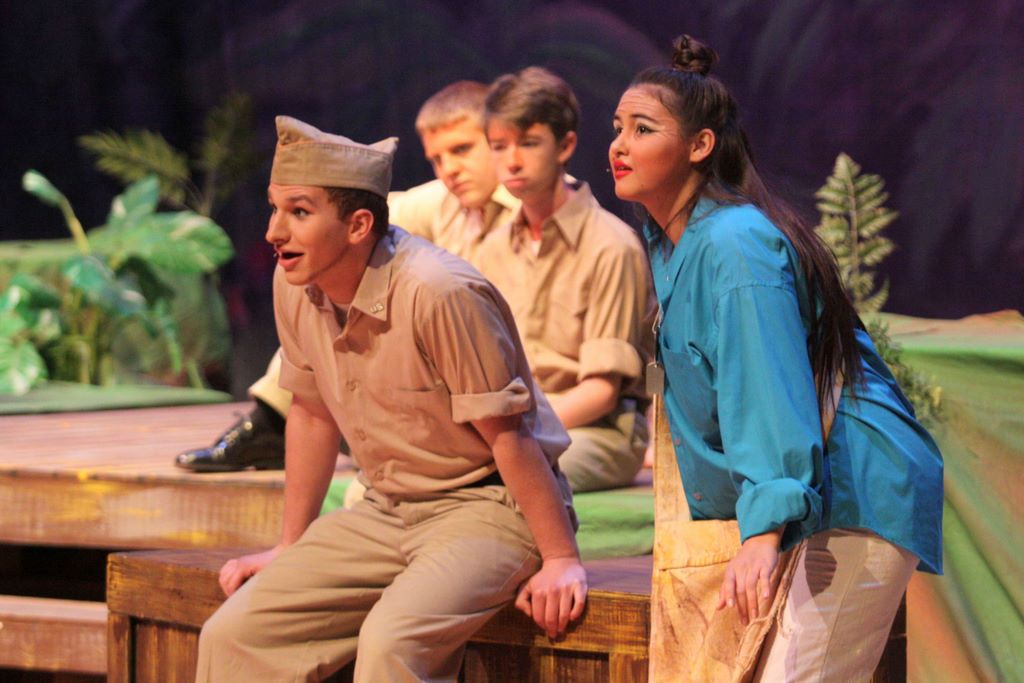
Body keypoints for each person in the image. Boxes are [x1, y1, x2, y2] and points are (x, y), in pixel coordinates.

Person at [195, 116, 586, 681]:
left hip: (488, 509)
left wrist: (560, 558)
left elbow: (510, 436)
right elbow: (311, 412)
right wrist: (289, 545)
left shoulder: (437, 291)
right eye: (274, 208)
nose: (274, 232)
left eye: (299, 212)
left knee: (390, 643)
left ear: (358, 225)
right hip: (386, 507)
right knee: (233, 634)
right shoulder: (296, 284)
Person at [608, 35, 943, 678]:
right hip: (803, 492)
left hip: (848, 488)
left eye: (642, 129)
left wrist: (764, 530)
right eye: (617, 128)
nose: (619, 145)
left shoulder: (734, 245)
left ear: (700, 146)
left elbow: (765, 386)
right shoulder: (677, 243)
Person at [175, 81, 518, 473]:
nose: (450, 170)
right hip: (440, 376)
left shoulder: (534, 207)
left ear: (498, 140)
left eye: (462, 149)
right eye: (437, 159)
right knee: (320, 286)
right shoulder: (444, 200)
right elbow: (367, 211)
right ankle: (270, 420)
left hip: (497, 379)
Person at [478, 66, 654, 492]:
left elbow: (601, 392)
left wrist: (514, 433)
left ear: (565, 145)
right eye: (499, 146)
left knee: (508, 474)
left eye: (529, 143)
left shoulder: (610, 245)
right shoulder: (491, 249)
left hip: (598, 431)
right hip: (514, 427)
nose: (512, 161)